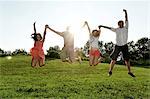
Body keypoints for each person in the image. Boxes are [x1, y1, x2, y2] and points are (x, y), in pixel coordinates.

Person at [99, 9, 135, 77]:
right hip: (118, 46)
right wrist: (102, 26)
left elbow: (126, 19)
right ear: (118, 24)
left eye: (122, 23)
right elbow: (109, 28)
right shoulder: (116, 29)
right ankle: (110, 71)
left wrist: (126, 12)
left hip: (124, 46)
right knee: (113, 59)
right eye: (119, 23)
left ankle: (129, 72)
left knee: (127, 60)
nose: (121, 24)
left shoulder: (126, 28)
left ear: (123, 24)